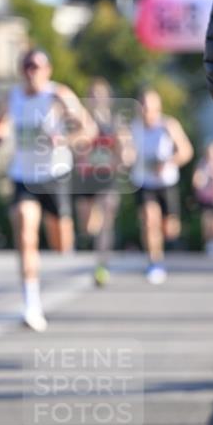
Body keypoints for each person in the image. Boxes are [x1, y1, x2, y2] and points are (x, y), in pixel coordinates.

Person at [0, 49, 96, 331]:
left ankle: (72, 257)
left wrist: (64, 139)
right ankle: (31, 304)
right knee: (26, 231)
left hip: (54, 175)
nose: (32, 71)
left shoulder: (59, 95)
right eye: (26, 66)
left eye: (37, 66)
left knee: (60, 244)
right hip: (23, 176)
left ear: (48, 70)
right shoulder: (12, 97)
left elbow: (88, 132)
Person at [130, 89, 193, 284]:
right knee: (150, 221)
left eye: (149, 106)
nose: (146, 110)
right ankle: (154, 262)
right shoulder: (133, 128)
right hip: (143, 183)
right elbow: (125, 154)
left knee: (169, 229)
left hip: (166, 183)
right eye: (143, 106)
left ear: (158, 108)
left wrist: (168, 162)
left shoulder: (168, 125)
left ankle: (163, 249)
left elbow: (186, 151)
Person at [73, 78, 128, 287]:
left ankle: (101, 265)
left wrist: (120, 158)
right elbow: (74, 145)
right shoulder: (82, 121)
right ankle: (95, 246)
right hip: (86, 177)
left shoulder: (115, 122)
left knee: (107, 221)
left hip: (107, 177)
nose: (97, 99)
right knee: (88, 226)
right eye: (93, 95)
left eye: (100, 95)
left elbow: (124, 148)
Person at [192, 140, 213, 258]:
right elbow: (196, 180)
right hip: (206, 198)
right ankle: (210, 244)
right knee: (207, 222)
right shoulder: (202, 164)